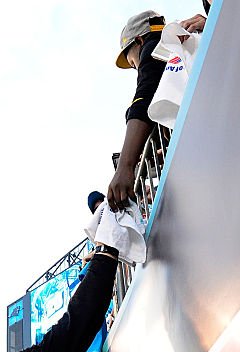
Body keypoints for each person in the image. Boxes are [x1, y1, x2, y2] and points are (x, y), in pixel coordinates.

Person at [107, 11, 167, 211]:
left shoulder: (153, 47)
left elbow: (145, 98)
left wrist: (125, 166)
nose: (136, 68)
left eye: (132, 62)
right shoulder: (176, 42)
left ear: (139, 40)